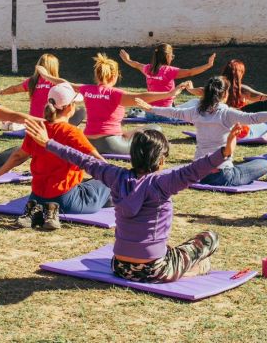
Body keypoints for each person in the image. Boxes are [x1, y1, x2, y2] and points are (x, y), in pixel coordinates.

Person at [24, 117, 244, 283]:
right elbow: (196, 169)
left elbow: (82, 159)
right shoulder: (163, 182)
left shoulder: (115, 175)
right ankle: (194, 269)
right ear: (160, 159)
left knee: (172, 251)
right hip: (155, 270)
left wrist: (48, 143)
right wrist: (225, 151)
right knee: (209, 238)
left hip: (119, 266)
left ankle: (184, 267)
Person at [0, 83, 109, 229]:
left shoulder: (38, 128)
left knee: (91, 185)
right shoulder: (72, 132)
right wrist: (119, 175)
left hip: (36, 197)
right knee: (106, 182)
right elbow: (99, 162)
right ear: (69, 107)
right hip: (66, 199)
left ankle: (38, 210)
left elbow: (18, 156)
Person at [134, 76, 267, 186]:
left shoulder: (197, 111)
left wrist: (150, 108)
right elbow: (253, 118)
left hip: (197, 173)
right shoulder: (226, 113)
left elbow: (174, 113)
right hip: (222, 175)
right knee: (264, 163)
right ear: (224, 94)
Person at [36, 53, 193, 155]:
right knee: (155, 129)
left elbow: (64, 82)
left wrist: (46, 75)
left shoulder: (87, 89)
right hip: (111, 144)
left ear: (97, 75)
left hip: (88, 141)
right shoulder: (116, 94)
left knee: (132, 131)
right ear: (115, 76)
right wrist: (169, 94)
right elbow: (142, 96)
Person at [185, 59, 267, 139]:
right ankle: (264, 134)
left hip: (218, 129)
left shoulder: (216, 88)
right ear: (240, 73)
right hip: (239, 132)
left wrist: (190, 88)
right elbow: (264, 97)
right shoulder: (242, 90)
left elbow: (198, 91)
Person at [119, 45, 215, 121]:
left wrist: (127, 60)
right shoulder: (169, 71)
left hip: (149, 115)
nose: (172, 58)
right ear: (167, 56)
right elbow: (190, 72)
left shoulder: (147, 69)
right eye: (172, 56)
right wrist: (208, 65)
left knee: (182, 106)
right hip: (166, 115)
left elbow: (136, 65)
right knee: (195, 102)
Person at [0, 53, 85, 126]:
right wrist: (47, 76)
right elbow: (68, 85)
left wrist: (0, 92)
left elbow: (14, 89)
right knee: (80, 111)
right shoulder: (57, 84)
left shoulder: (32, 81)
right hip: (51, 122)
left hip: (33, 122)